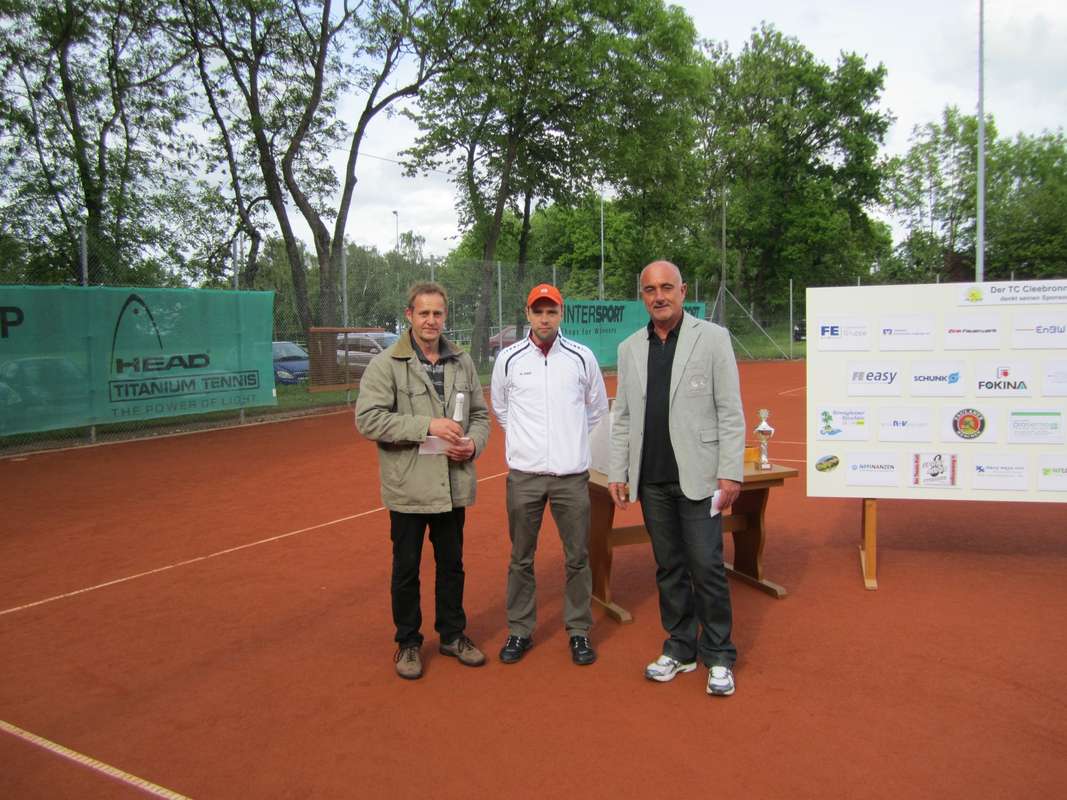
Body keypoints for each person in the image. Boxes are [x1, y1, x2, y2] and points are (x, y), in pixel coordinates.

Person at [608, 261, 746, 696]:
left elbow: (730, 411)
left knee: (706, 566)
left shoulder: (713, 338)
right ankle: (681, 647)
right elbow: (622, 416)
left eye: (666, 287)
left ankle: (719, 654)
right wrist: (618, 471)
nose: (659, 296)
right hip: (651, 479)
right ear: (642, 297)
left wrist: (730, 472)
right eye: (650, 290)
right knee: (669, 568)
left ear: (683, 291)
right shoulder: (630, 347)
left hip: (701, 476)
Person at [355, 282, 491, 680]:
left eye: (437, 313)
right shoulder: (386, 364)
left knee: (452, 565)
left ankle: (452, 635)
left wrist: (473, 445)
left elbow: (480, 416)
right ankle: (409, 643)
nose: (431, 320)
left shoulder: (462, 361)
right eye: (423, 313)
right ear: (409, 315)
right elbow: (368, 419)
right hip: (409, 487)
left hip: (452, 484)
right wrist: (426, 425)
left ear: (445, 316)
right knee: (406, 569)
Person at [491, 284, 608, 666]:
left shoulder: (581, 356)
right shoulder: (508, 358)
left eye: (551, 311)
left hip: (571, 478)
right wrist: (527, 444)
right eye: (538, 311)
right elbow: (501, 408)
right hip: (524, 477)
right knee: (521, 558)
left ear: (562, 314)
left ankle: (578, 631)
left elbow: (597, 409)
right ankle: (520, 630)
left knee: (577, 558)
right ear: (528, 314)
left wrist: (570, 440)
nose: (545, 319)